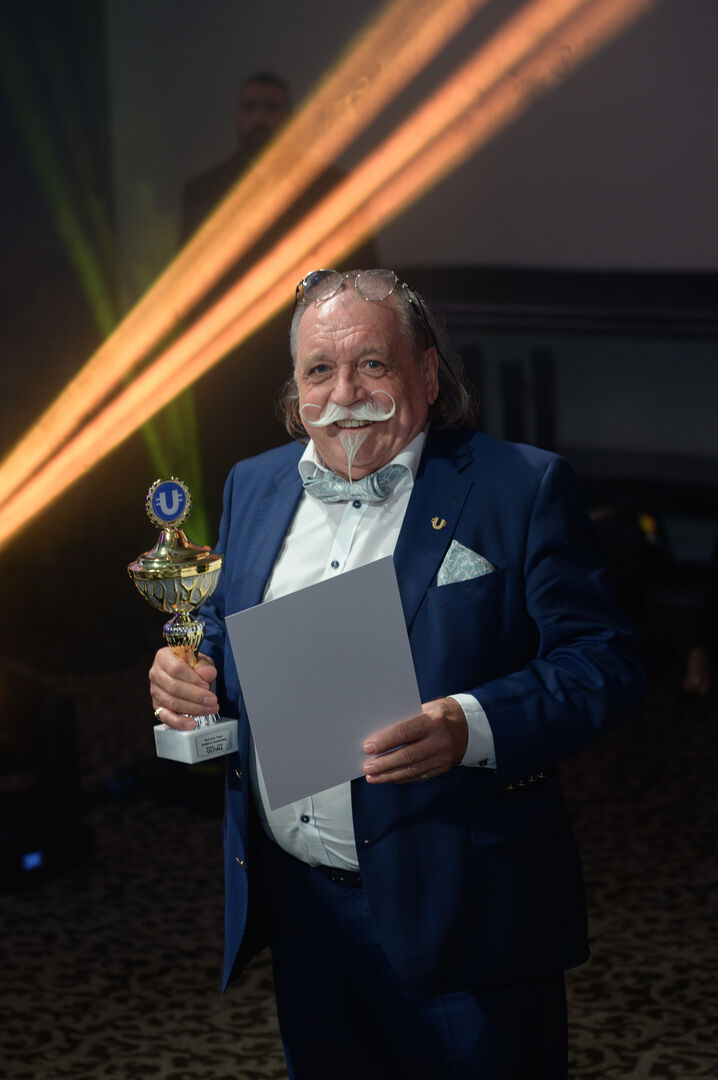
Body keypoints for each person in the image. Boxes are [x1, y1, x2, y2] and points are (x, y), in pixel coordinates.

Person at [149, 268, 645, 1079]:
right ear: (295, 389)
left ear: (427, 373)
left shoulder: (518, 486)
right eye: (320, 369)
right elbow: (221, 633)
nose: (346, 393)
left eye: (373, 364)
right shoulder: (254, 484)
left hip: (464, 912)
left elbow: (605, 662)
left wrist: (470, 725)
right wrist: (186, 669)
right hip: (302, 912)